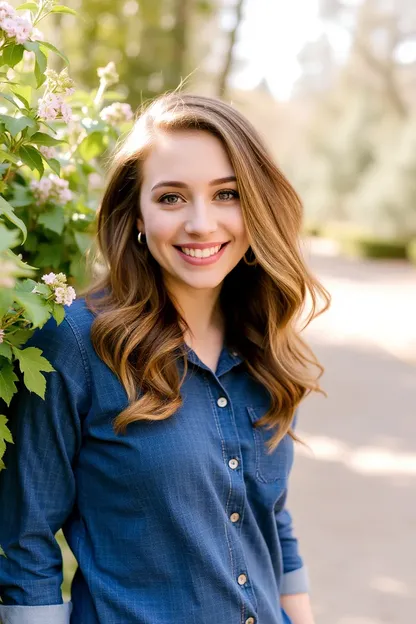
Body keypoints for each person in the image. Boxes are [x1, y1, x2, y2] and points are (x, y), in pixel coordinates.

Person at [0, 93, 330, 624]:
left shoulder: (264, 342)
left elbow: (272, 520)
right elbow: (25, 543)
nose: (201, 224)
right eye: (172, 198)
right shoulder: (78, 345)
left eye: (227, 194)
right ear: (135, 213)